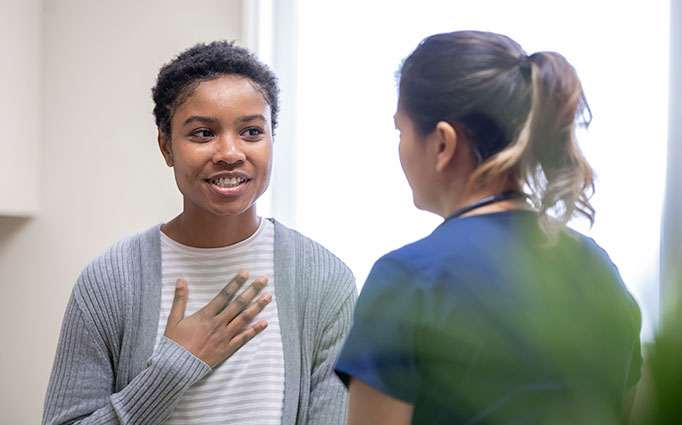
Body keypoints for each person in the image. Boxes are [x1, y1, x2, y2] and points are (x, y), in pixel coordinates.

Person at [334, 31, 642, 425]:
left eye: (401, 131)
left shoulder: (408, 278)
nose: (399, 147)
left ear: (442, 143)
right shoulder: (599, 269)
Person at [42, 41, 356, 425]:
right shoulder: (110, 282)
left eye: (252, 131)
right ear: (166, 147)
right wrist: (171, 369)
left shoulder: (323, 281)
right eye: (203, 133)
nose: (229, 152)